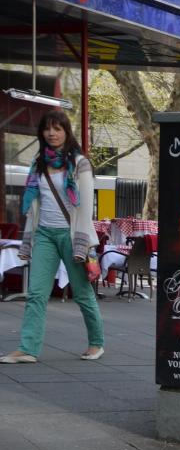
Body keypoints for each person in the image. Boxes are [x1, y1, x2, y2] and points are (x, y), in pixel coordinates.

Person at [2, 109, 104, 364]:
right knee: (36, 294)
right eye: (48, 128)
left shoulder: (80, 163)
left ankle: (96, 343)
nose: (52, 133)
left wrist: (82, 244)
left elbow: (85, 208)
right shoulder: (38, 162)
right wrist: (29, 237)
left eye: (57, 128)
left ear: (66, 131)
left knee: (81, 293)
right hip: (44, 234)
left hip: (71, 235)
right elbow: (34, 206)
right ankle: (28, 348)